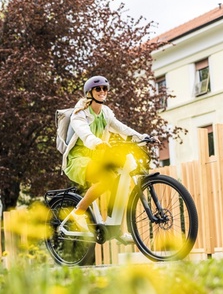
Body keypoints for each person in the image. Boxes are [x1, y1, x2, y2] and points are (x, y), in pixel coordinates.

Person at [59, 75, 154, 241]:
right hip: (77, 160)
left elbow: (121, 128)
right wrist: (97, 143)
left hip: (97, 157)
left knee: (121, 179)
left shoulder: (106, 113)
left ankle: (114, 227)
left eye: (105, 88)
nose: (102, 91)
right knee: (107, 179)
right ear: (90, 92)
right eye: (98, 89)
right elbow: (84, 133)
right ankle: (78, 213)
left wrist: (142, 137)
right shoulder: (79, 114)